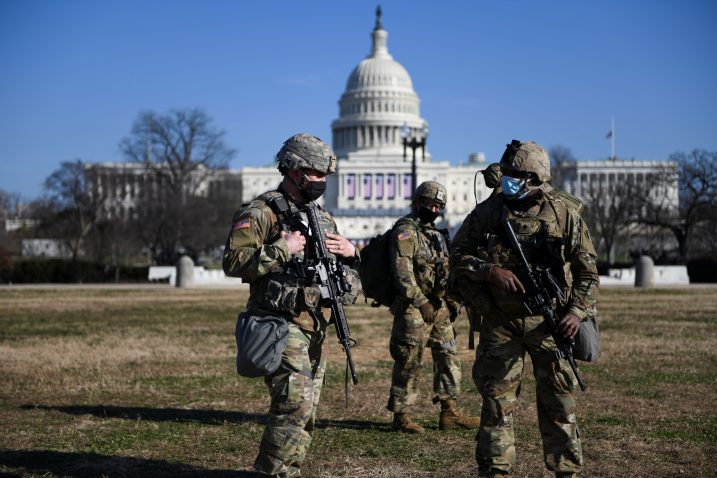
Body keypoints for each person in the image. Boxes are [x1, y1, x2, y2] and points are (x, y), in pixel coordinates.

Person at [448, 140, 599, 478]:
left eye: (516, 175)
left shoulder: (563, 213)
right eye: (507, 174)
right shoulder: (489, 212)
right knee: (497, 406)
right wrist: (490, 271)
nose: (507, 181)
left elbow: (588, 272)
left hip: (551, 323)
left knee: (559, 405)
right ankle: (495, 470)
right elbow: (455, 258)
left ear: (534, 178)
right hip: (501, 323)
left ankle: (566, 471)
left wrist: (576, 312)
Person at [223, 133, 362, 478]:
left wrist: (352, 253)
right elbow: (234, 262)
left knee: (307, 409)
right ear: (295, 170)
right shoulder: (261, 212)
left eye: (326, 175)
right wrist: (282, 248)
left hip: (315, 325)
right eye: (316, 174)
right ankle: (271, 472)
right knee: (293, 405)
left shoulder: (323, 218)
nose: (322, 182)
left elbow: (339, 274)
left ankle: (289, 470)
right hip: (279, 323)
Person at [386, 180, 481, 434]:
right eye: (431, 204)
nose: (435, 210)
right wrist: (422, 301)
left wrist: (450, 300)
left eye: (440, 205)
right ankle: (401, 416)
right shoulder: (406, 231)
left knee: (449, 356)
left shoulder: (437, 234)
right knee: (410, 361)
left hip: (437, 306)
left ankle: (449, 412)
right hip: (413, 307)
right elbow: (402, 273)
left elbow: (445, 268)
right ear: (418, 203)